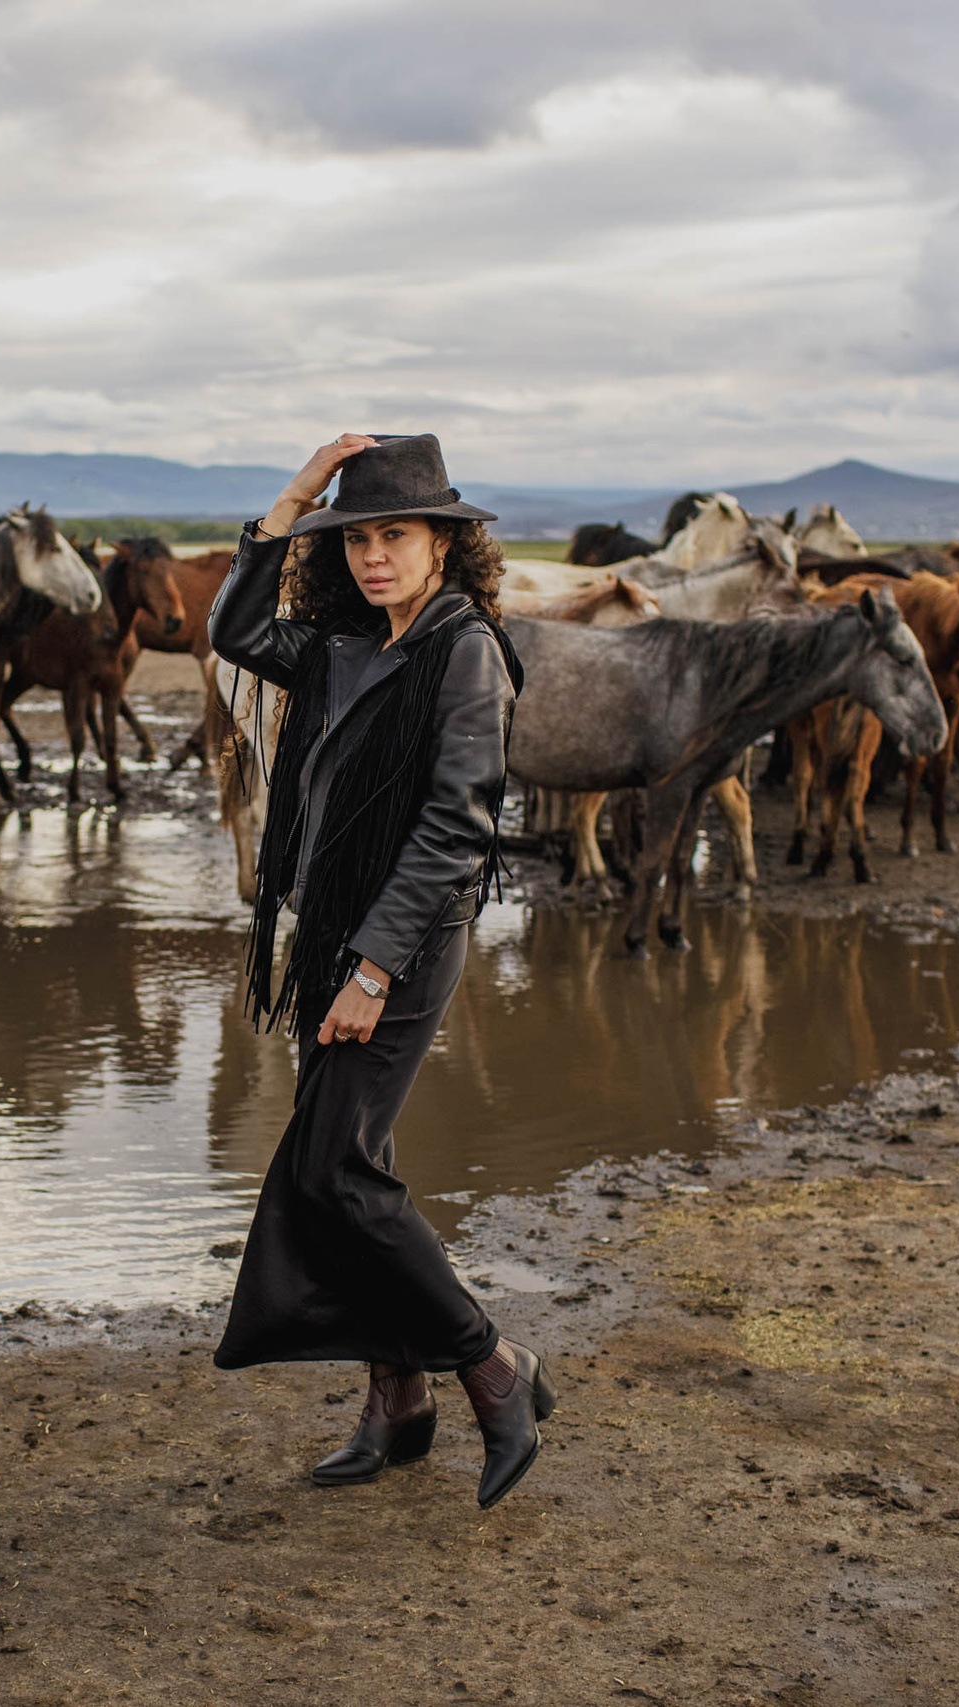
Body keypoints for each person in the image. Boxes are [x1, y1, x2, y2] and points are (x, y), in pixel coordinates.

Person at [207, 431, 556, 1509]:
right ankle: (396, 1399)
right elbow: (232, 630)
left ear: (444, 545)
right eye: (355, 537)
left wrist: (369, 972)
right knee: (348, 1170)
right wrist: (296, 495)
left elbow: (455, 831)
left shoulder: (465, 653)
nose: (372, 557)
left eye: (393, 535)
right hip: (329, 936)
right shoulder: (341, 641)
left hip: (396, 949)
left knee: (337, 1177)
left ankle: (495, 1368)